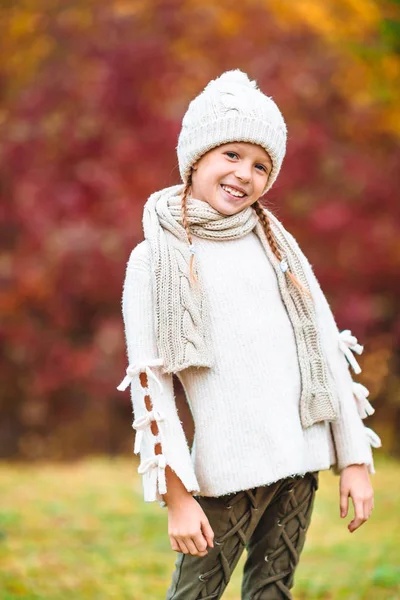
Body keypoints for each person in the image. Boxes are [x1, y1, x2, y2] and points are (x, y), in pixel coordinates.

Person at [117, 69, 382, 600]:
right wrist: (177, 496)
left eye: (261, 165)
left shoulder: (279, 250)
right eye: (231, 155)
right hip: (228, 473)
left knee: (272, 592)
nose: (246, 174)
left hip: (300, 462)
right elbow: (152, 390)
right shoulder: (155, 261)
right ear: (196, 159)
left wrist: (354, 459)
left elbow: (328, 350)